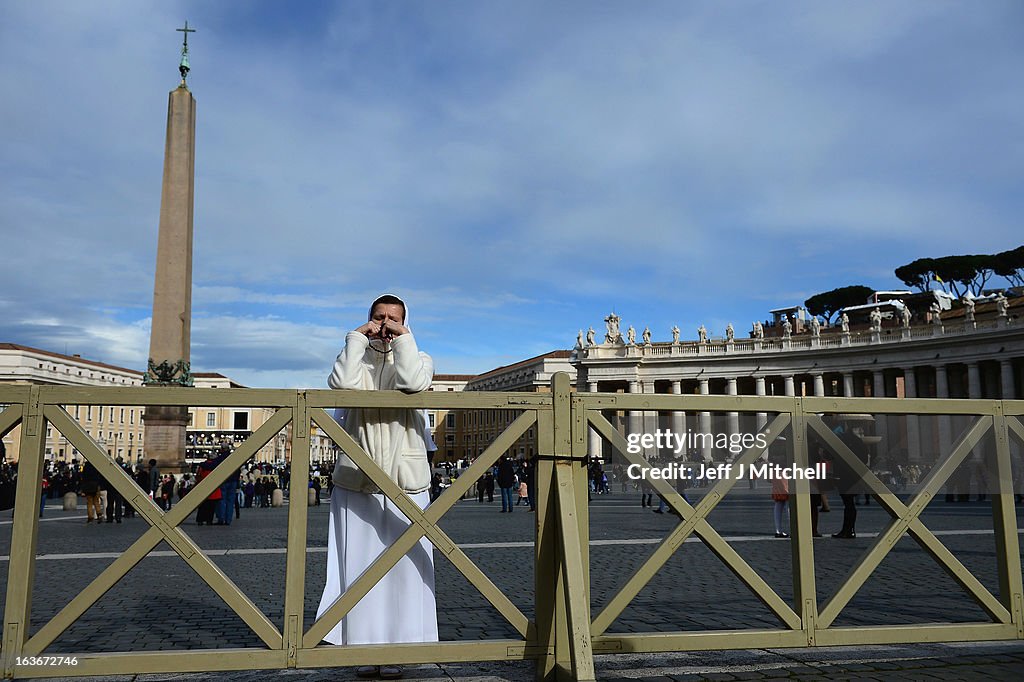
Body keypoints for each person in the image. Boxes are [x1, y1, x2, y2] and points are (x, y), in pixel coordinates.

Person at [316, 294, 436, 679]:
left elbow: (412, 381)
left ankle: (400, 649)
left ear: (405, 324)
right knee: (361, 567)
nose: (385, 324)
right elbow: (340, 384)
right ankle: (362, 648)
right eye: (379, 318)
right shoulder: (355, 359)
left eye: (393, 319)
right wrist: (355, 339)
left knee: (405, 569)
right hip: (358, 478)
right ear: (368, 320)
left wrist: (403, 342)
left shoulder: (420, 358)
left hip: (407, 479)